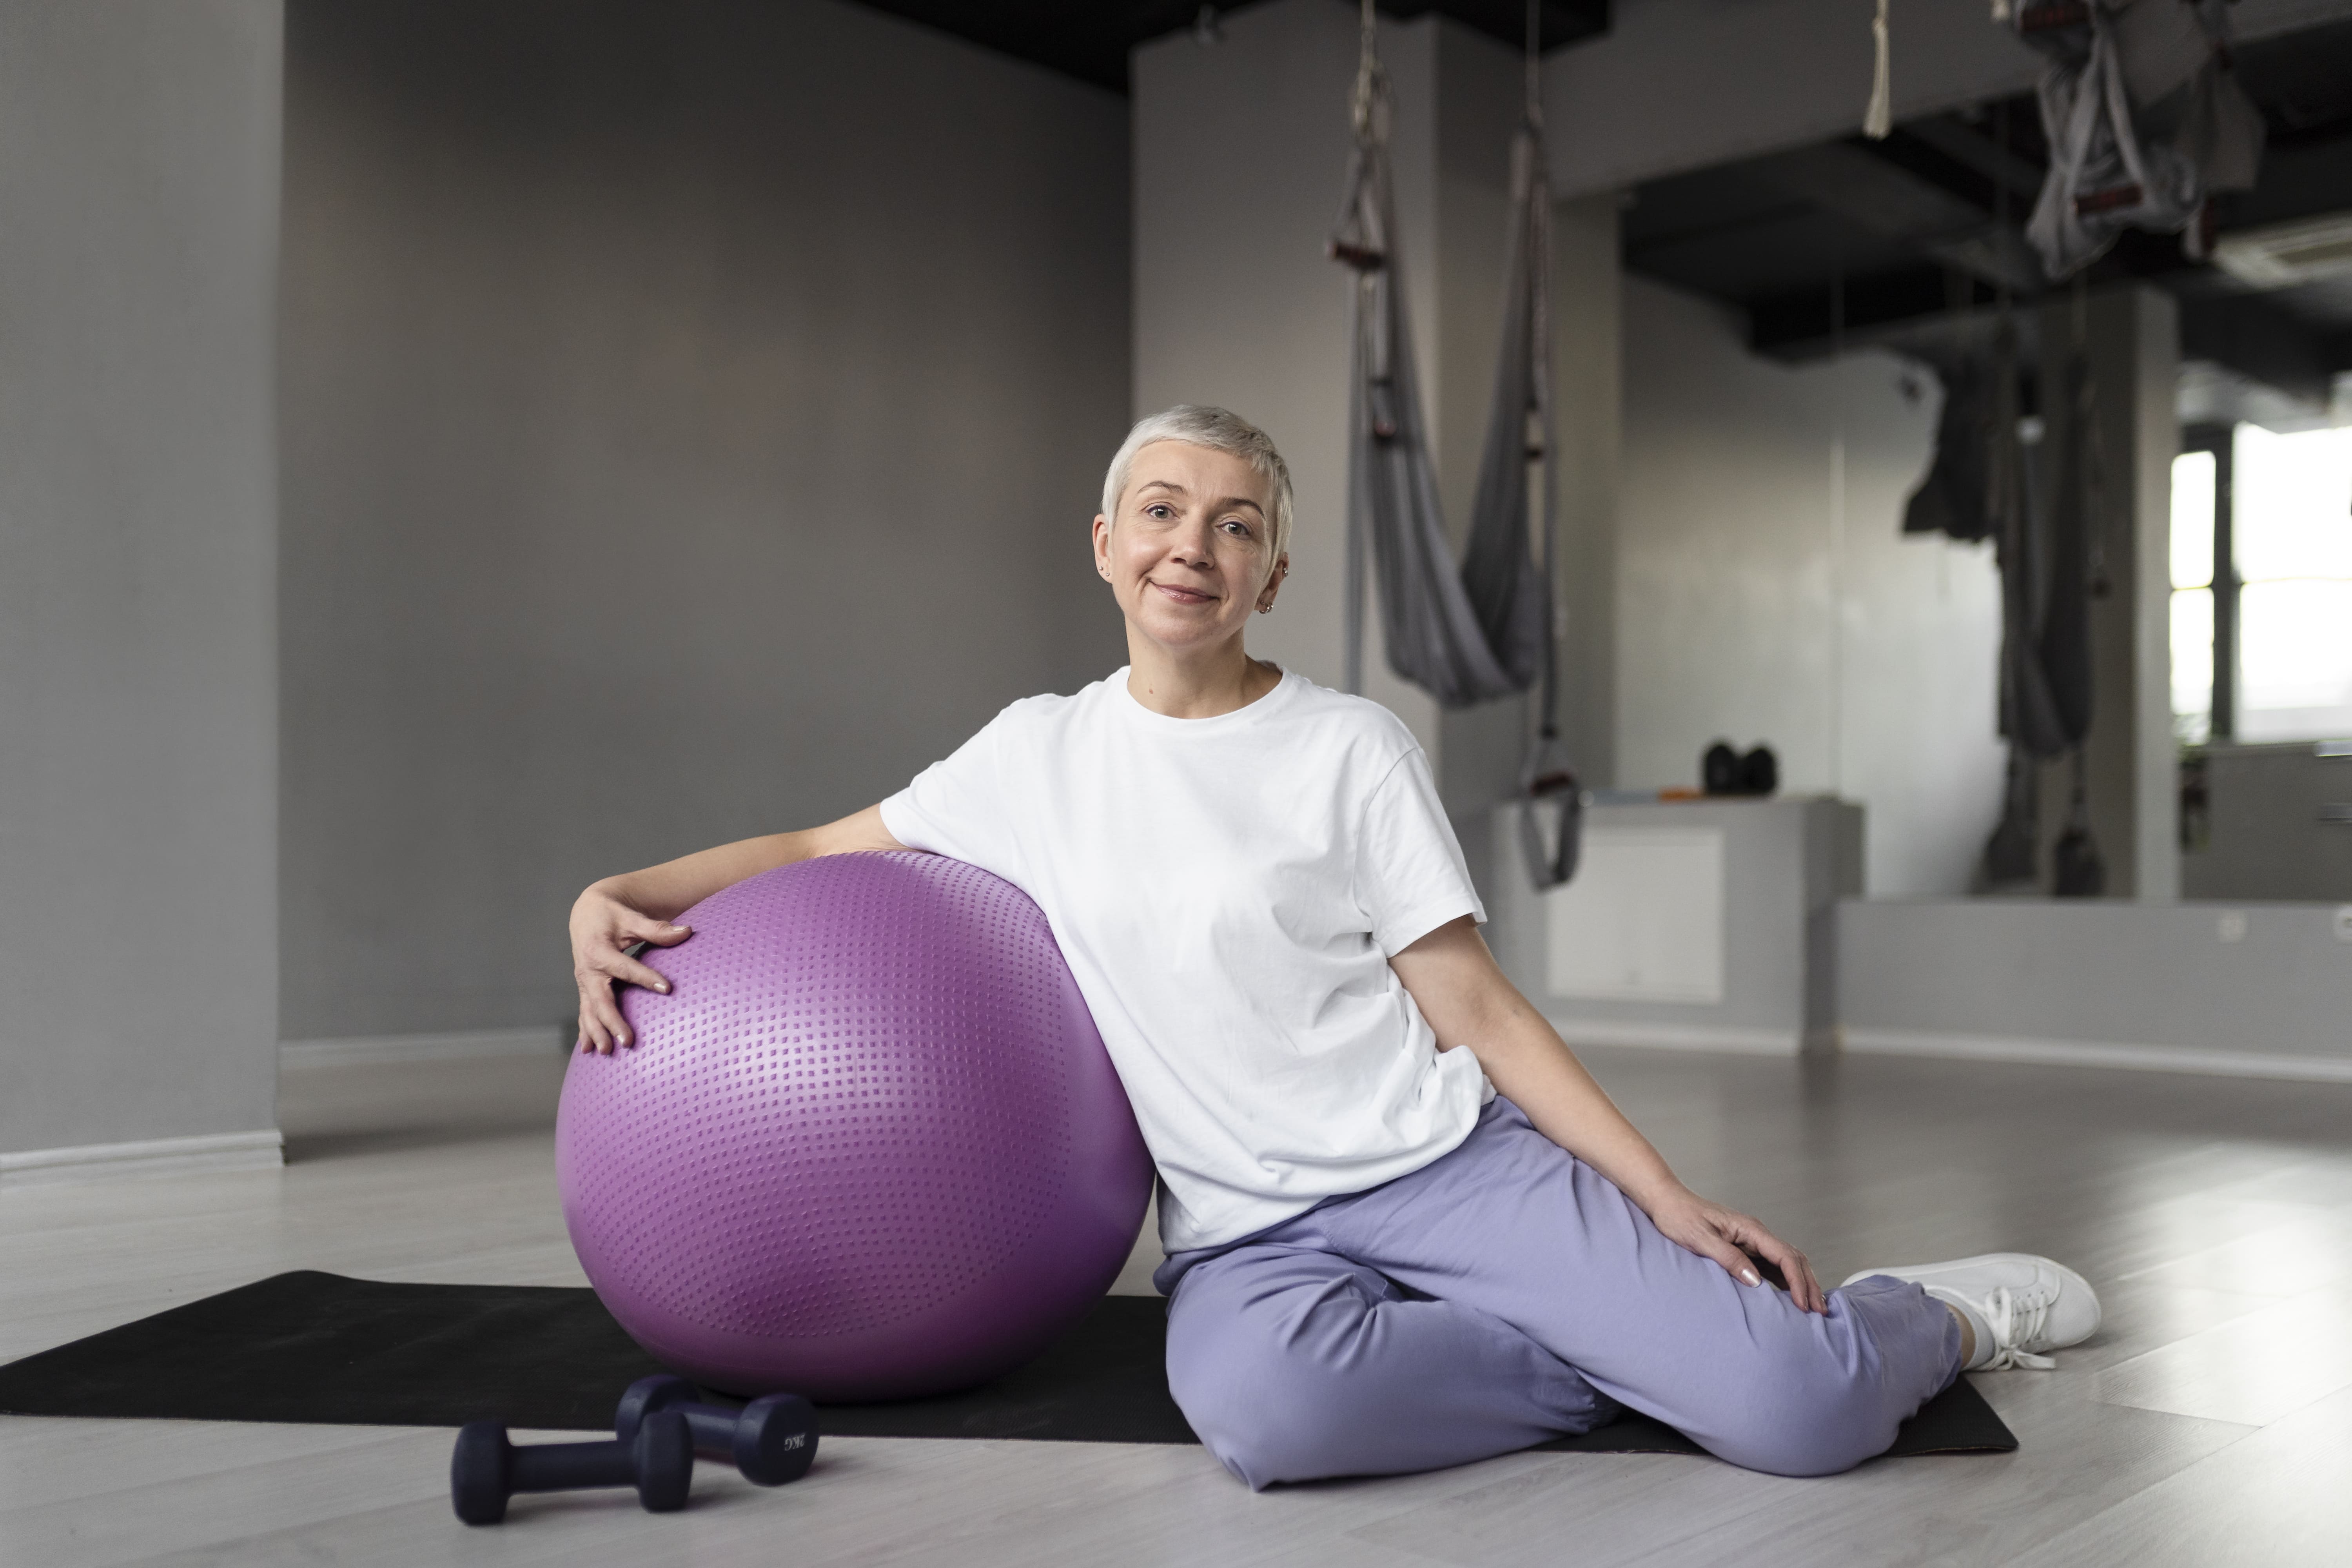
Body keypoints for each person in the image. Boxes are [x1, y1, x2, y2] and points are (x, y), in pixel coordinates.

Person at [568, 405, 2100, 1487]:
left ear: (1272, 575)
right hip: (1245, 1231)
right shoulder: (1031, 757)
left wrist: (1666, 1198)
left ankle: (1939, 1312)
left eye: (1237, 525)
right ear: (1105, 544)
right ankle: (1615, 1357)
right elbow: (811, 854)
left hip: (1448, 1166)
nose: (1195, 546)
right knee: (1268, 1424)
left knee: (1800, 1414)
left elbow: (1479, 1012)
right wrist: (613, 889)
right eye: (1163, 511)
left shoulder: (1348, 747)